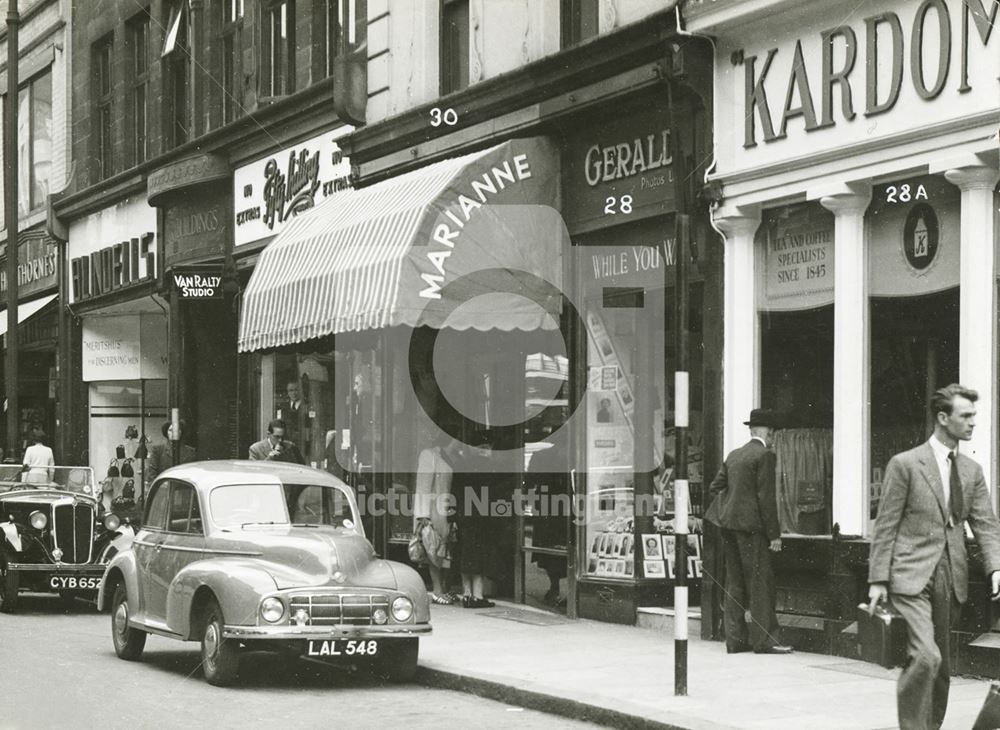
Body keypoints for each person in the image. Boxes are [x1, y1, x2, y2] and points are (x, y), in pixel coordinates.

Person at [868, 384, 1000, 730]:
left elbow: (986, 524)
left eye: (974, 415)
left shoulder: (972, 471)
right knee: (926, 657)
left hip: (950, 576)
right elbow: (886, 525)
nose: (973, 423)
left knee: (941, 669)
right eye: (965, 416)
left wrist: (996, 567)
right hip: (910, 576)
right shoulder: (906, 464)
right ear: (943, 418)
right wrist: (878, 580)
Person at [705, 408, 792, 655]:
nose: (774, 436)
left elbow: (715, 487)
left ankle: (735, 641)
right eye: (772, 431)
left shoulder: (734, 455)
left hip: (729, 529)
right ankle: (764, 642)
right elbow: (766, 499)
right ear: (764, 431)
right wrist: (774, 535)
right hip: (752, 530)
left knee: (735, 583)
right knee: (759, 584)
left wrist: (731, 508)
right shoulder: (764, 455)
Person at [414, 434, 462, 605]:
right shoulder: (429, 455)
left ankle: (444, 588)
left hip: (447, 508)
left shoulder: (452, 456)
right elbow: (423, 485)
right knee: (433, 548)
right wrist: (423, 515)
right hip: (433, 509)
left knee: (445, 550)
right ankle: (437, 590)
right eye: (457, 439)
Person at [526, 435, 570, 607]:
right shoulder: (572, 455)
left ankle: (555, 587)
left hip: (546, 507)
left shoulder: (541, 456)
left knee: (549, 548)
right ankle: (558, 588)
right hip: (564, 507)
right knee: (562, 546)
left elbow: (529, 481)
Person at [145, 421, 197, 488]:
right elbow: (151, 476)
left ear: (181, 432)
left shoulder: (190, 452)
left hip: (183, 492)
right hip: (163, 492)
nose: (173, 433)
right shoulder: (158, 450)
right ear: (166, 432)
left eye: (176, 430)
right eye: (170, 430)